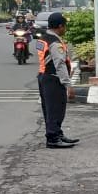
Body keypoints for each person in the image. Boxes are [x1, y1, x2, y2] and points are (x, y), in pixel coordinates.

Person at [37, 12, 79, 149]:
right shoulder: (55, 43)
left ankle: (57, 134)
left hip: (44, 77)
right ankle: (53, 138)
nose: (65, 29)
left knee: (49, 109)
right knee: (56, 109)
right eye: (64, 26)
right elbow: (59, 64)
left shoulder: (43, 38)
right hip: (53, 79)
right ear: (60, 26)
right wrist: (68, 85)